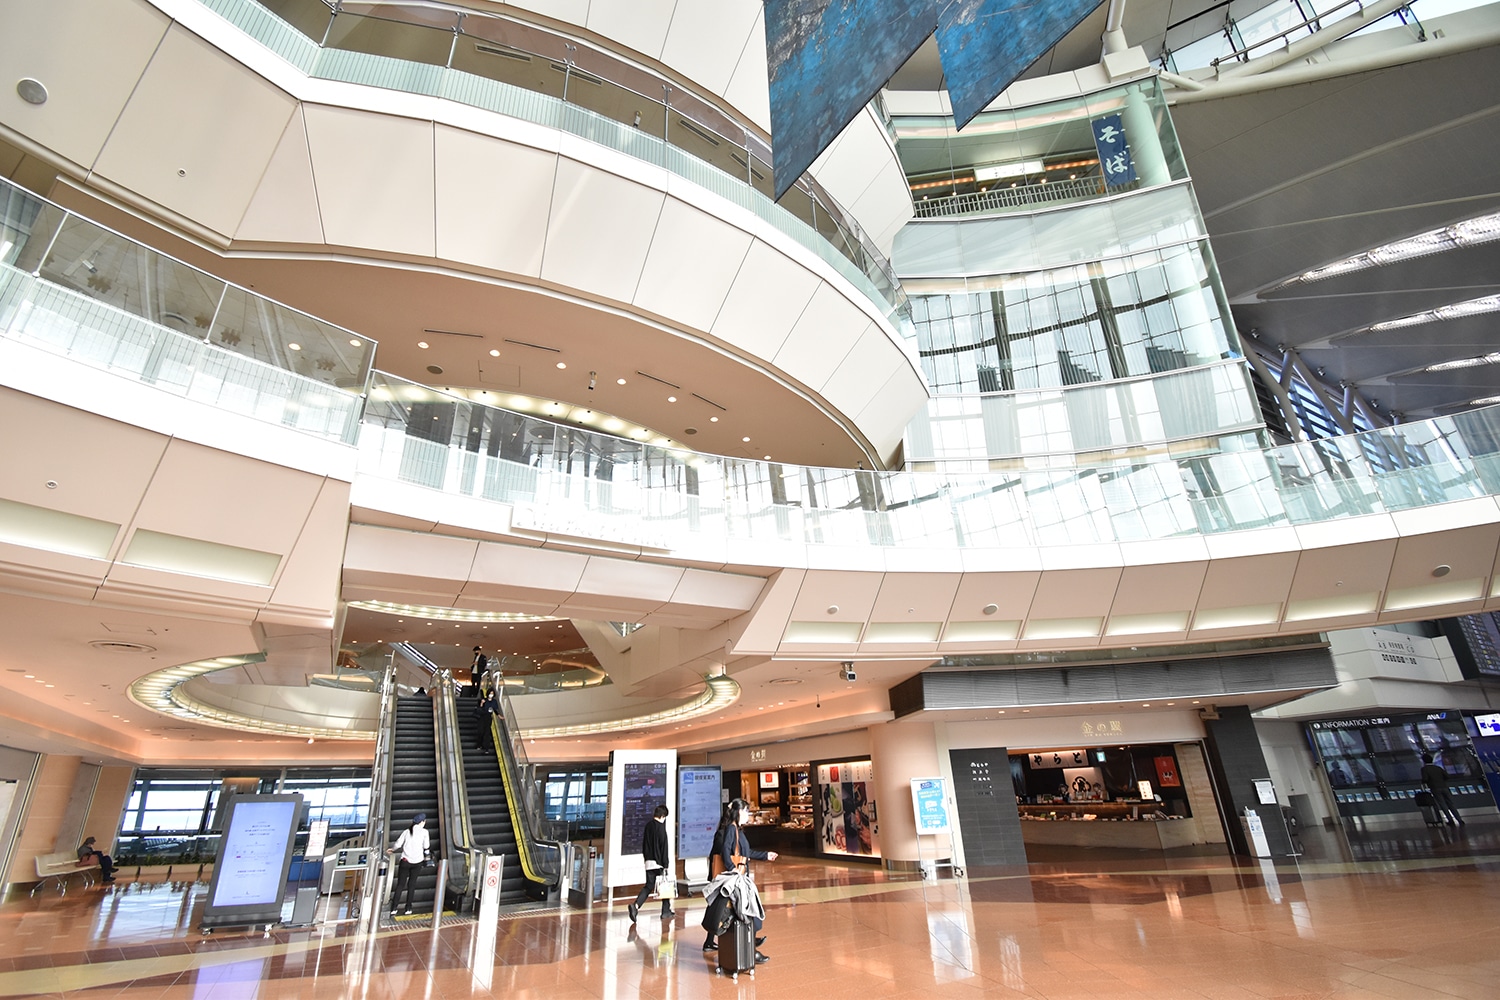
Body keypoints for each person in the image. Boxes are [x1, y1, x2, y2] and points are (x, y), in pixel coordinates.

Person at [701, 798, 777, 961]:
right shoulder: (731, 829)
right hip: (736, 880)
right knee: (747, 912)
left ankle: (749, 947)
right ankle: (751, 949)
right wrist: (733, 869)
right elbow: (725, 851)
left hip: (739, 879)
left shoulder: (737, 830)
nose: (748, 815)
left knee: (742, 913)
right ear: (739, 812)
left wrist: (765, 855)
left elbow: (745, 854)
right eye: (746, 811)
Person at [628, 804, 674, 922]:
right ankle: (665, 911)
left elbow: (644, 844)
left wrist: (646, 858)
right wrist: (666, 864)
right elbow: (664, 847)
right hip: (658, 863)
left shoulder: (648, 826)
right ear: (662, 816)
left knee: (649, 886)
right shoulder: (661, 828)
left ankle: (636, 905)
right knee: (665, 885)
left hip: (649, 862)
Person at [388, 813, 430, 915]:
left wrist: (392, 849)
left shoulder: (407, 832)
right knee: (412, 885)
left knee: (400, 885)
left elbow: (398, 844)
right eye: (424, 821)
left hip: (405, 861)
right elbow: (426, 846)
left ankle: (394, 908)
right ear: (422, 822)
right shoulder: (425, 832)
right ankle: (408, 908)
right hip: (418, 862)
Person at [1420, 753, 1464, 826]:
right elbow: (1447, 776)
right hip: (1444, 787)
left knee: (1442, 804)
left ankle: (1450, 820)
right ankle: (1459, 819)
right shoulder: (1438, 768)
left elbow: (1425, 779)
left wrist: (1424, 782)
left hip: (1435, 788)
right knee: (1450, 803)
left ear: (1424, 761)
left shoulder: (1424, 769)